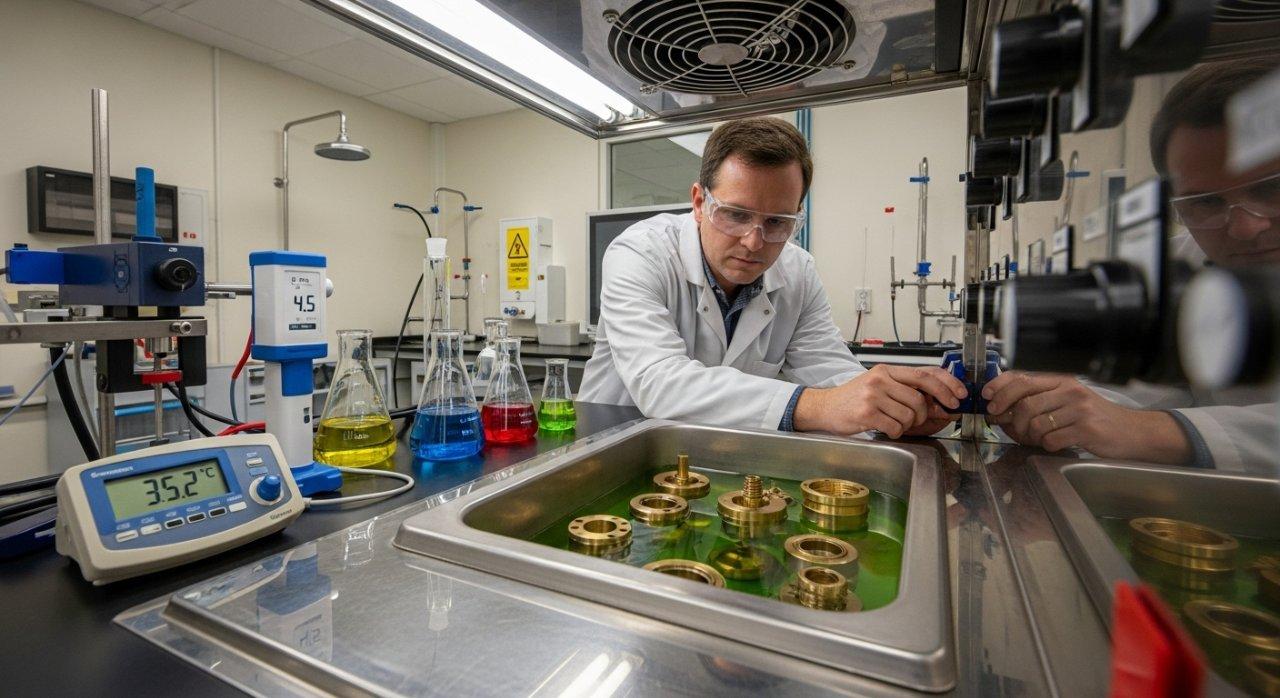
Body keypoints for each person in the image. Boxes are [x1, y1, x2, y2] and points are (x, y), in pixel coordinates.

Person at [579, 117, 967, 437]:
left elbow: (833, 374)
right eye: (735, 214)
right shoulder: (638, 254)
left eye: (777, 222)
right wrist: (816, 405)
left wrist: (893, 411)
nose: (753, 241)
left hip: (717, 456)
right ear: (699, 203)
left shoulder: (798, 272)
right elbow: (660, 383)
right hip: (617, 447)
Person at [982, 57, 1280, 472]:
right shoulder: (1177, 266)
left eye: (1272, 188)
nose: (1246, 226)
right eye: (1206, 203)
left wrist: (1153, 432)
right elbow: (1139, 392)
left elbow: (1135, 426)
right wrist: (1055, 407)